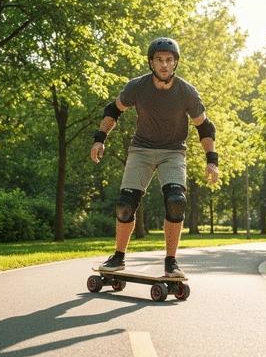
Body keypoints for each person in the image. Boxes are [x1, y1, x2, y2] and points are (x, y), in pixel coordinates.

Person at [90, 37, 218, 278]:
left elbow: (205, 127)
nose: (164, 65)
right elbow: (113, 110)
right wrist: (100, 138)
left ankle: (171, 262)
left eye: (169, 60)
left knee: (176, 201)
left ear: (176, 63)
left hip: (173, 151)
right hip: (141, 150)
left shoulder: (187, 92)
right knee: (125, 205)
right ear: (151, 63)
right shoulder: (136, 87)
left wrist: (211, 160)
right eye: (159, 59)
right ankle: (118, 258)